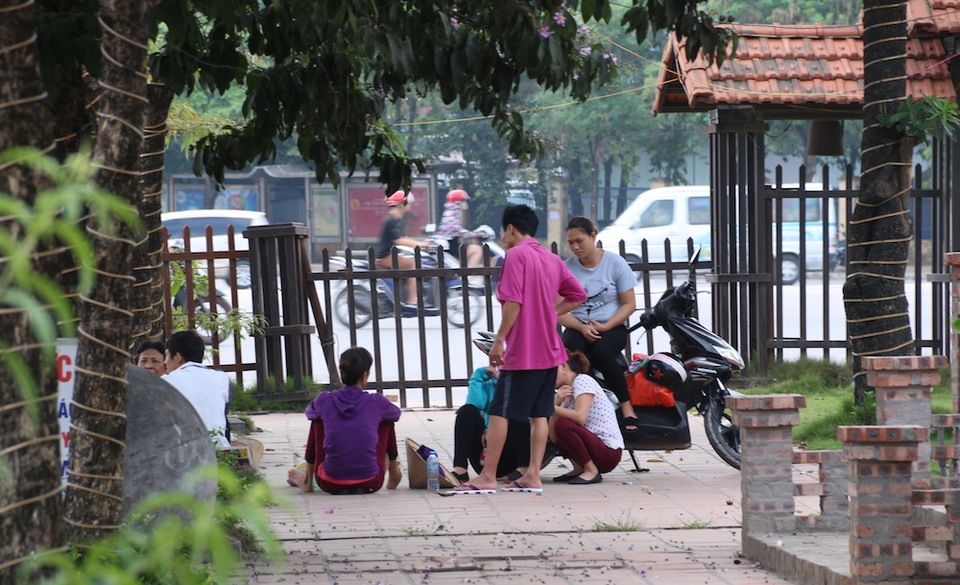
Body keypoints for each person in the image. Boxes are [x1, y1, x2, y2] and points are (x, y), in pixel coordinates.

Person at [449, 204, 586, 494]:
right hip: (552, 352)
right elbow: (577, 294)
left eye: (503, 231)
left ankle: (487, 477)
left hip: (525, 353)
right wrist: (551, 312)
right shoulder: (551, 258)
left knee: (499, 412)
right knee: (539, 415)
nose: (502, 236)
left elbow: (513, 303)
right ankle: (532, 475)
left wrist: (499, 340)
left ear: (511, 229)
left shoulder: (514, 255)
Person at [558, 216, 640, 431]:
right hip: (578, 326)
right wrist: (582, 326)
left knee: (603, 353)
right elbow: (556, 311)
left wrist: (606, 326)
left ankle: (626, 406)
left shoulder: (615, 263)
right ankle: (575, 406)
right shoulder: (566, 269)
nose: (575, 247)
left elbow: (629, 304)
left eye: (580, 241)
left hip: (611, 327)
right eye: (571, 242)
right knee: (571, 356)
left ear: (593, 236)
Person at [287, 347, 403, 495]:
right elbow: (396, 414)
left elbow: (310, 413)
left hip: (330, 483)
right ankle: (394, 474)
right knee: (387, 420)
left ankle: (307, 481)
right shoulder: (376, 401)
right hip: (371, 482)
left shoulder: (325, 400)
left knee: (317, 420)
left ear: (342, 373)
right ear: (365, 375)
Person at [549, 350, 624, 485]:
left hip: (608, 452)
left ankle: (591, 471)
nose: (547, 377)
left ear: (564, 366)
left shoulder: (582, 380)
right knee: (558, 423)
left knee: (562, 424)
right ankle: (579, 468)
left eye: (550, 371)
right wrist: (556, 403)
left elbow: (580, 417)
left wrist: (550, 408)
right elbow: (554, 437)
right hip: (594, 448)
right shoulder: (565, 394)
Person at [451, 365, 532, 482]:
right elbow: (475, 404)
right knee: (466, 410)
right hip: (485, 455)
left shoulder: (524, 385)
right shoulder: (490, 384)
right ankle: (460, 469)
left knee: (518, 417)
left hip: (513, 457)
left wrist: (493, 429)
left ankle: (523, 469)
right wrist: (478, 375)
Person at [162, 330, 231, 449]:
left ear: (178, 357)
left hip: (184, 452)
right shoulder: (221, 378)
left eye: (167, 356)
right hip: (219, 449)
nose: (165, 361)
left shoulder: (166, 381)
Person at [375, 190, 432, 311]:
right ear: (401, 204)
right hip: (385, 257)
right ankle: (412, 300)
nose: (410, 206)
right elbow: (399, 240)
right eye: (408, 203)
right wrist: (421, 244)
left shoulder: (397, 219)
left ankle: (406, 295)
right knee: (413, 264)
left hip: (390, 255)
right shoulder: (391, 220)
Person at [437, 189, 483, 268]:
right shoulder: (452, 212)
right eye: (464, 201)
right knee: (477, 250)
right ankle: (468, 276)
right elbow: (457, 230)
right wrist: (476, 234)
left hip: (450, 243)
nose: (466, 204)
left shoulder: (451, 211)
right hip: (450, 245)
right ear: (458, 202)